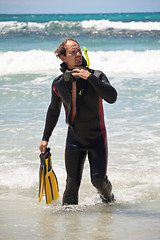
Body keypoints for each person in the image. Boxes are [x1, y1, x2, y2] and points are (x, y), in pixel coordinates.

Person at [39, 38, 117, 205]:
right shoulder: (59, 84)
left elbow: (112, 97)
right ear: (63, 57)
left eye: (79, 51)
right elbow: (53, 110)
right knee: (72, 184)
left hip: (97, 138)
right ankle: (70, 225)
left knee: (98, 180)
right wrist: (45, 138)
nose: (78, 55)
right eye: (73, 52)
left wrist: (90, 78)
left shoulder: (96, 75)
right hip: (74, 139)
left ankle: (109, 200)